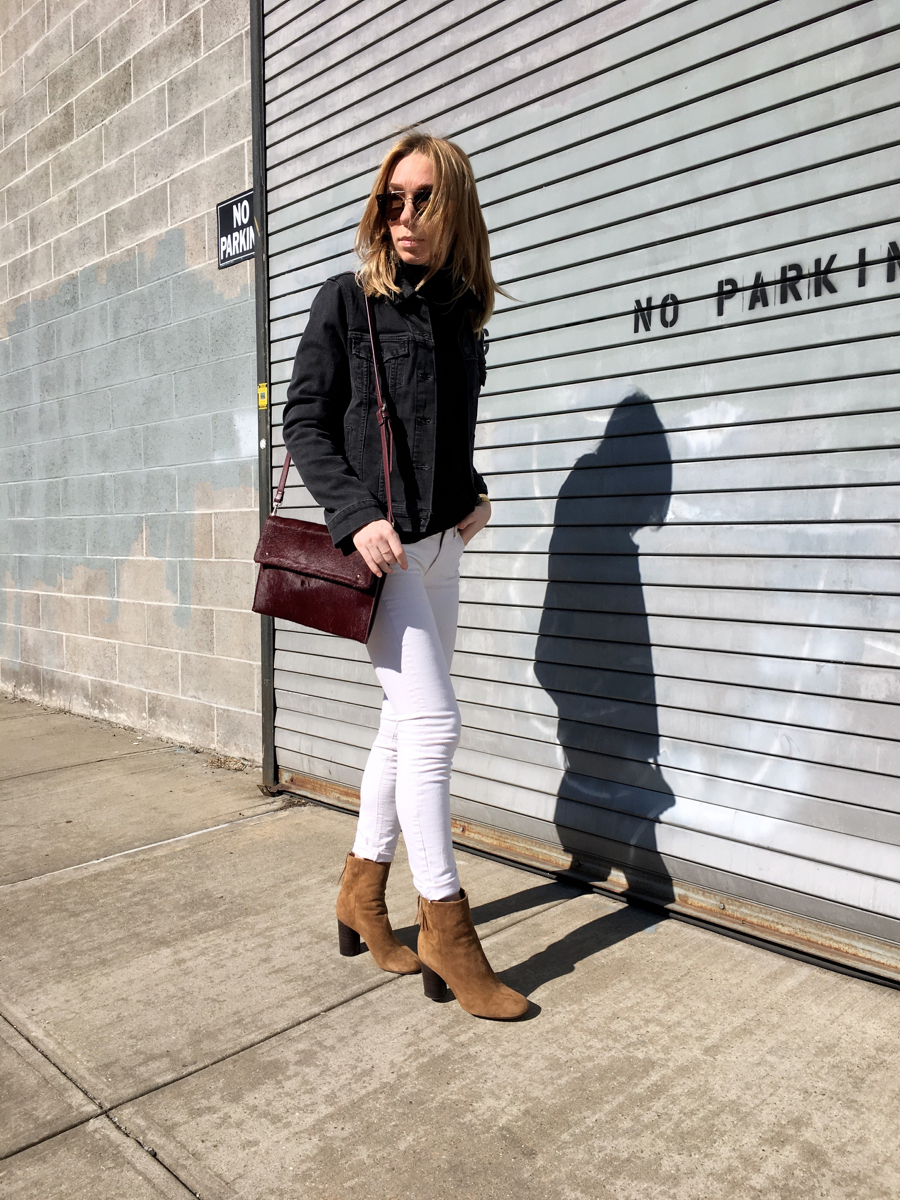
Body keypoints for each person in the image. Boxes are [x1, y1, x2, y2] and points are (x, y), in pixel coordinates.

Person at [282, 131, 528, 1020]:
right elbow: (305, 423)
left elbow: (447, 436)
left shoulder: (464, 312)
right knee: (434, 724)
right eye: (394, 198)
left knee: (400, 724)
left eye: (424, 198)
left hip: (440, 547)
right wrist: (356, 519)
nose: (407, 215)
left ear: (453, 205)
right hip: (379, 553)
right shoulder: (346, 302)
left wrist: (477, 498)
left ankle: (358, 893)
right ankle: (449, 933)